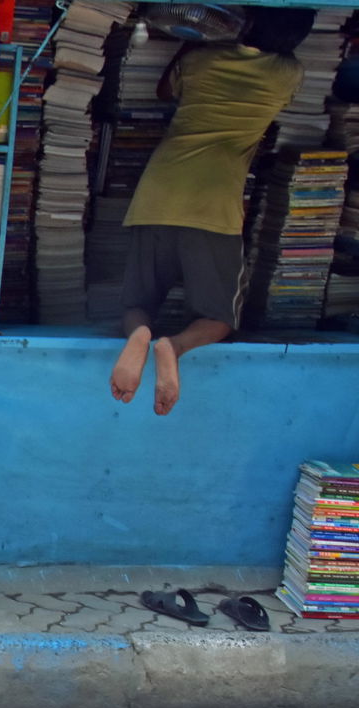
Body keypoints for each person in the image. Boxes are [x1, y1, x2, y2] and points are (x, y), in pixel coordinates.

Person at [110, 8, 312, 416]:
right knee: (219, 318)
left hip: (158, 192)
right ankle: (174, 346)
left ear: (248, 23)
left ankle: (142, 334)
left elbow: (164, 91)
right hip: (214, 205)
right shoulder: (288, 73)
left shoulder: (202, 58)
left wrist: (195, 40)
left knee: (136, 302)